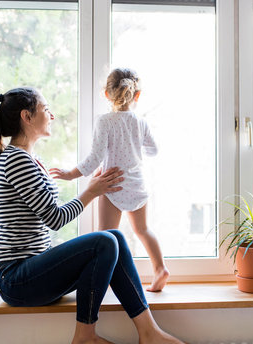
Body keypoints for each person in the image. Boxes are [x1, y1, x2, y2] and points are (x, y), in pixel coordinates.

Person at [0, 87, 183, 344]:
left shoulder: (30, 158)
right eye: (45, 109)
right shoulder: (16, 160)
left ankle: (148, 332)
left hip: (32, 271)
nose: (51, 115)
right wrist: (90, 192)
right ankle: (85, 336)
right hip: (15, 278)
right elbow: (55, 218)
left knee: (114, 237)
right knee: (105, 241)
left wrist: (92, 188)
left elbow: (47, 210)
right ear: (26, 117)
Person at [53, 68, 169, 292]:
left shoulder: (104, 122)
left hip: (111, 184)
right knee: (143, 230)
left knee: (105, 237)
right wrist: (134, 149)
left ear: (106, 94)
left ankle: (102, 281)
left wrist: (69, 174)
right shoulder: (140, 122)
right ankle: (160, 269)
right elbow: (154, 150)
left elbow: (94, 158)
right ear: (137, 95)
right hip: (137, 184)